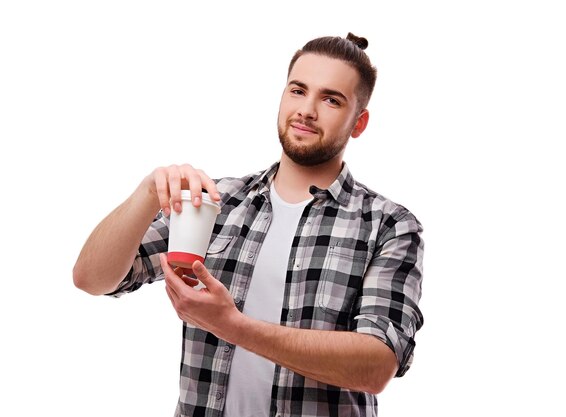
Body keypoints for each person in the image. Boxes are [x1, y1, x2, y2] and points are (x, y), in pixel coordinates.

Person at [73, 32, 424, 417]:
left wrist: (232, 326)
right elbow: (93, 278)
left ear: (359, 122)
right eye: (297, 90)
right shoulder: (217, 202)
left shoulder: (389, 226)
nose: (306, 110)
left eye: (330, 99)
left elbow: (376, 366)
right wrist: (146, 193)